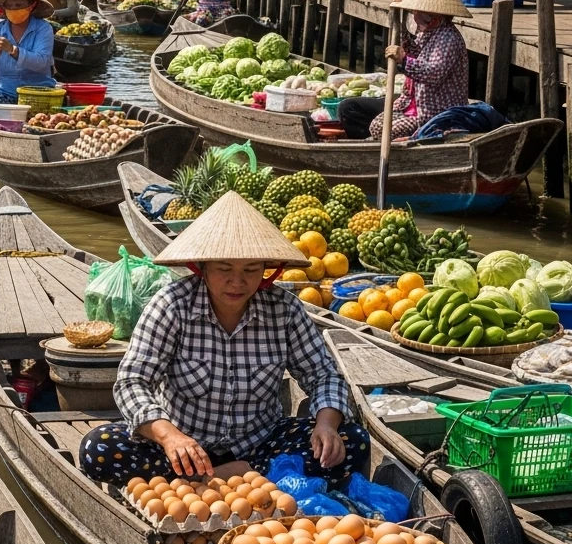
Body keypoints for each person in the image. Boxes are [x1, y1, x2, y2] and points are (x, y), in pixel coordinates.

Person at [78, 191, 370, 486]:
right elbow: (133, 382)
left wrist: (326, 425)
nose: (237, 282)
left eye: (251, 270)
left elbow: (323, 375)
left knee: (352, 441)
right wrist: (170, 437)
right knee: (98, 449)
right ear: (202, 268)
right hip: (183, 450)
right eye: (224, 269)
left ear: (266, 272)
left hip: (259, 445)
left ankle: (217, 478)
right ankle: (237, 478)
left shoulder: (284, 309)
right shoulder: (172, 305)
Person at [338, 0, 471, 141]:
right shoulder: (429, 32)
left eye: (418, 12)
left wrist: (404, 59)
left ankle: (410, 139)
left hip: (434, 112)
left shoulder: (447, 37)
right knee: (369, 120)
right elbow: (415, 52)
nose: (415, 17)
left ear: (433, 15)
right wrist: (400, 30)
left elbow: (434, 73)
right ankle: (378, 142)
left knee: (380, 129)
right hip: (410, 103)